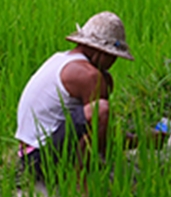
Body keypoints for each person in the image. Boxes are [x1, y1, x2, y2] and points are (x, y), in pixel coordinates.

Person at [15, 11, 133, 184]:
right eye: (113, 55)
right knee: (101, 109)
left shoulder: (62, 59)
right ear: (100, 51)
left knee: (105, 87)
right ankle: (82, 184)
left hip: (29, 154)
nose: (114, 61)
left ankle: (82, 170)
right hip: (41, 159)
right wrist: (142, 140)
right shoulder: (88, 76)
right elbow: (105, 139)